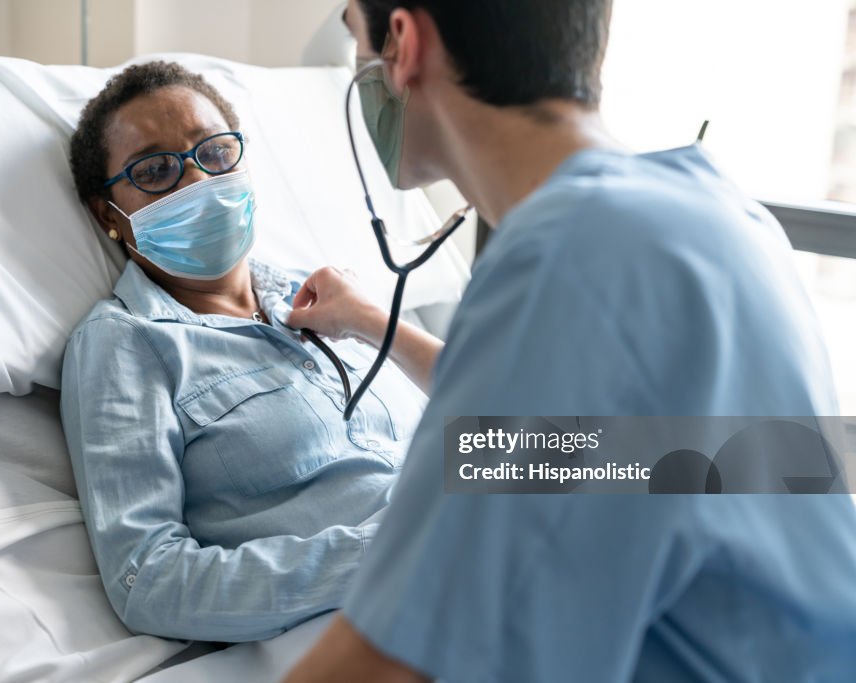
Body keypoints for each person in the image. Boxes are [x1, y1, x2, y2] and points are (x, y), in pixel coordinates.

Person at [284, 1, 856, 681]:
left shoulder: (573, 255)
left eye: (357, 45)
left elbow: (386, 662)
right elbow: (586, 444)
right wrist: (372, 321)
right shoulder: (714, 215)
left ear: (402, 45)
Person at [58, 61, 428, 643]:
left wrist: (373, 323)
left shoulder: (327, 297)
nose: (198, 181)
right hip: (407, 605)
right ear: (110, 214)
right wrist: (397, 552)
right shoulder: (127, 342)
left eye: (215, 152)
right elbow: (149, 579)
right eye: (156, 170)